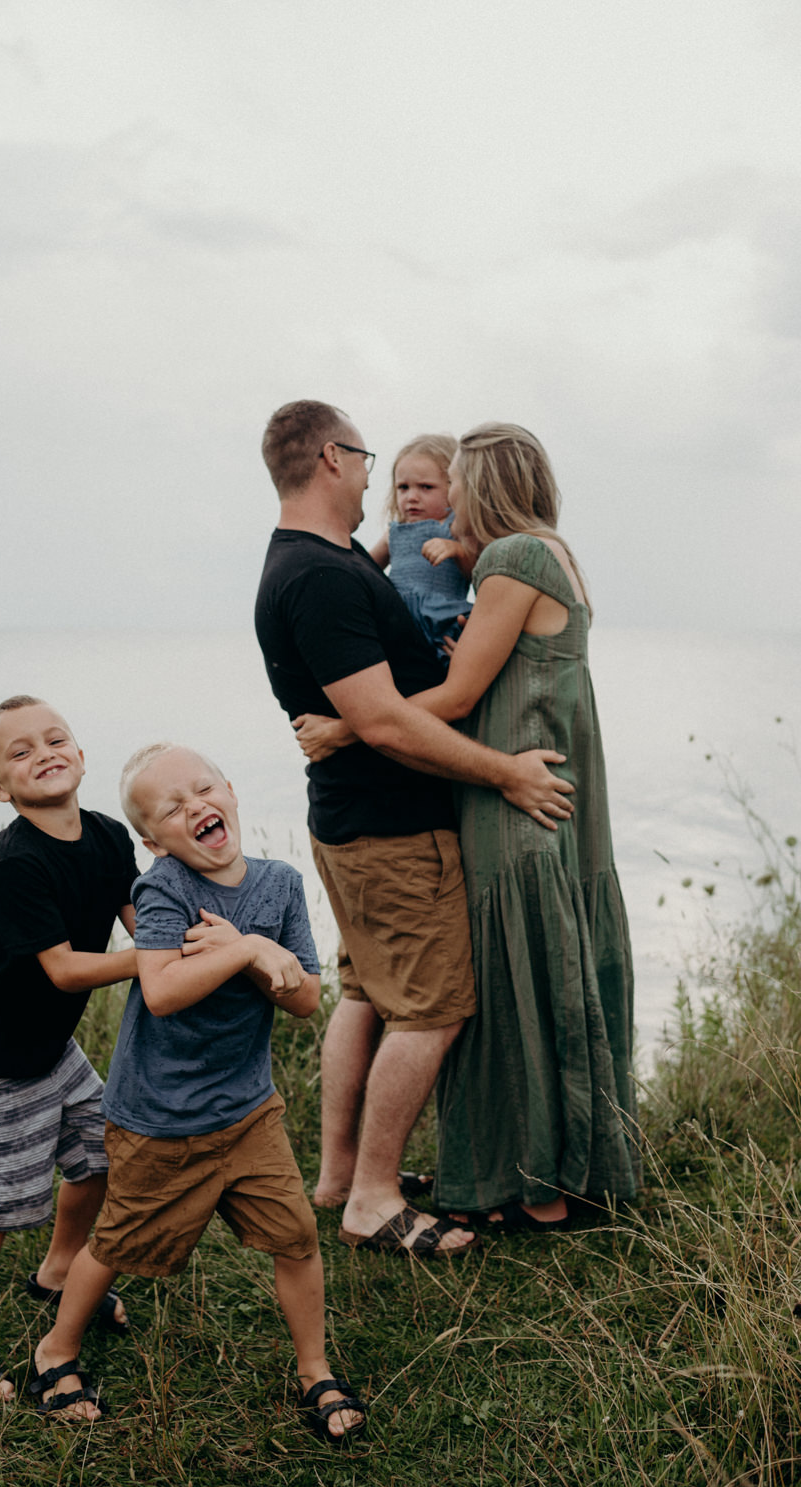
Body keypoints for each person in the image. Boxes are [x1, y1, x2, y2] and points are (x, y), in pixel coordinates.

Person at [294, 423, 640, 1229]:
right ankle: (556, 1178)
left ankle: (538, 1193)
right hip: (555, 802)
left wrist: (349, 726)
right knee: (553, 984)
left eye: (455, 486)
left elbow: (453, 700)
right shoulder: (555, 553)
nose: (440, 506)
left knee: (520, 995)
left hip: (514, 805)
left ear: (483, 488)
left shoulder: (512, 560)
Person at [254, 399, 575, 1259]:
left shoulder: (329, 561)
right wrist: (507, 771)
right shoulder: (321, 575)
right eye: (364, 459)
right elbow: (389, 722)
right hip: (393, 830)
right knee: (433, 1009)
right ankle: (372, 1199)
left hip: (356, 822)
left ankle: (338, 1177)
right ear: (331, 457)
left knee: (366, 992)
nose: (373, 478)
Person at [29, 743, 366, 1444]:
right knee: (116, 1241)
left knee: (299, 1237)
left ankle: (314, 1369)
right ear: (154, 842)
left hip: (248, 1113)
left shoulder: (278, 883)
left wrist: (259, 950)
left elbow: (305, 998)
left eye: (203, 789)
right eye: (172, 809)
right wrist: (246, 951)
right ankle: (55, 1352)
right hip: (159, 1120)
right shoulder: (166, 889)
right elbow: (159, 991)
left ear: (232, 792)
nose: (195, 808)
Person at [0, 695, 139, 1403]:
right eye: (19, 752)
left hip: (49, 1045)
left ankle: (57, 1271)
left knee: (101, 1155)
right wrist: (155, 962)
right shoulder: (17, 861)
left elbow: (147, 923)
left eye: (55, 739)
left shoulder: (108, 837)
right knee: (4, 1199)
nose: (43, 752)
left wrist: (198, 945)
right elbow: (67, 969)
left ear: (80, 756)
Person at [366, 432, 473, 659]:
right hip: (398, 618)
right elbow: (364, 567)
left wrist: (458, 550)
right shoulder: (394, 533)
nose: (411, 497)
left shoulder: (457, 528)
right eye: (403, 487)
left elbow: (477, 571)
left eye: (426, 487)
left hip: (443, 621)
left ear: (453, 487)